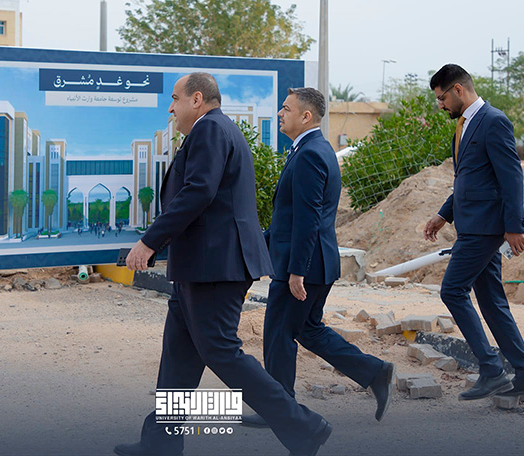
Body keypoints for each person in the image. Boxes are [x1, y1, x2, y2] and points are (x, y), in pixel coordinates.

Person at [115, 73, 333, 456]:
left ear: (197, 99)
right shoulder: (214, 129)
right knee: (179, 357)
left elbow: (198, 191)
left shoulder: (211, 129)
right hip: (200, 266)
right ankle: (160, 443)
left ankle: (304, 426)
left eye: (175, 99)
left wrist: (150, 241)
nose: (171, 108)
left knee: (221, 352)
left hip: (215, 266)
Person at [244, 88, 395, 430]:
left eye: (286, 108)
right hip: (313, 262)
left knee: (279, 333)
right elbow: (289, 218)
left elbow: (308, 219)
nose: (280, 113)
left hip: (303, 266)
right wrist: (257, 247)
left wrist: (297, 270)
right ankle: (375, 372)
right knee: (308, 330)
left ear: (306, 116)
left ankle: (280, 409)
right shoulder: (311, 149)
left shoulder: (310, 154)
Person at [422, 64, 524, 400]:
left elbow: (511, 176)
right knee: (492, 303)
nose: (440, 105)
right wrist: (443, 215)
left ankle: (491, 370)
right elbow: (469, 177)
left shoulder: (493, 121)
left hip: (485, 228)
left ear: (458, 90)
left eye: (442, 98)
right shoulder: (464, 125)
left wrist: (515, 227)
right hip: (471, 225)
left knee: (452, 291)